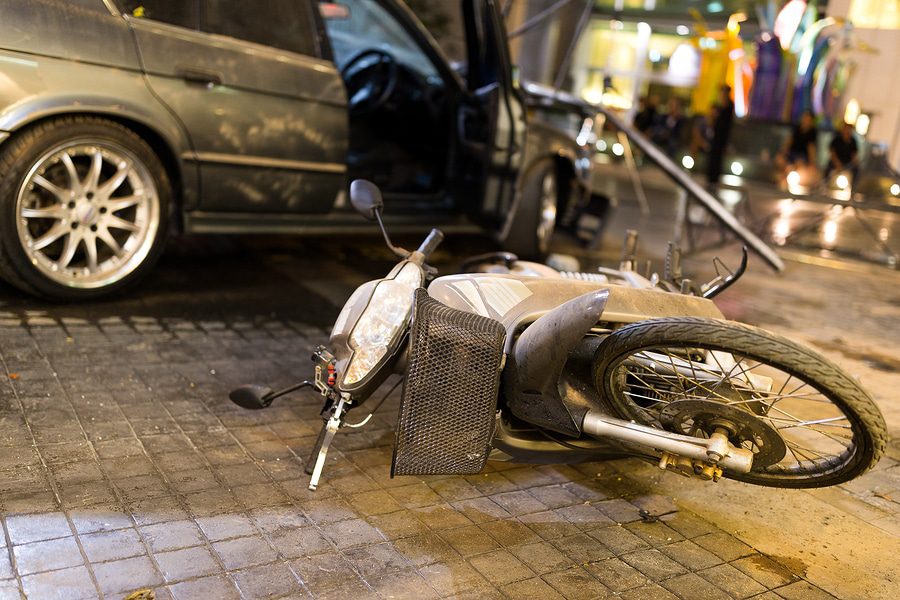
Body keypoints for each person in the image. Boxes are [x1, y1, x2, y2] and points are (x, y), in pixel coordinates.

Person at [706, 85, 734, 186]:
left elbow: (727, 124)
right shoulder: (720, 105)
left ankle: (714, 180)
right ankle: (710, 178)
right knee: (712, 158)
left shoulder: (729, 106)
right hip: (716, 136)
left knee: (717, 159)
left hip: (722, 137)